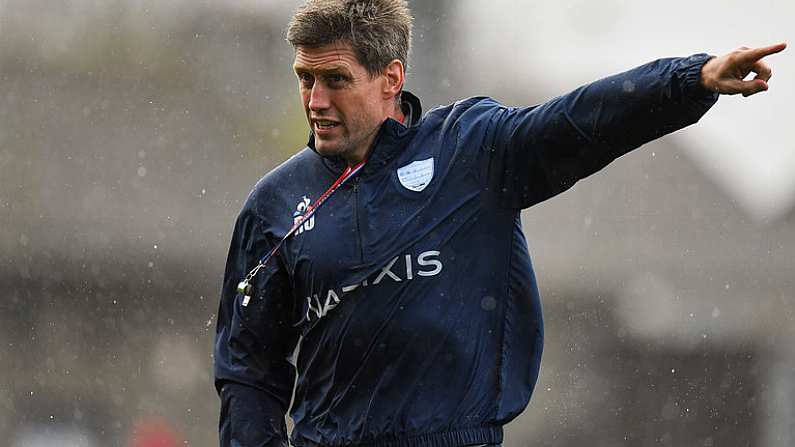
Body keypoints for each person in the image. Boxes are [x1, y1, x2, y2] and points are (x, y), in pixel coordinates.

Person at [213, 1, 786, 446]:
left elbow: (582, 120)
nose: (314, 99)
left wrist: (692, 78)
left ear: (391, 78)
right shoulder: (274, 203)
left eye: (334, 79)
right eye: (304, 79)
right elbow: (246, 367)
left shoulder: (470, 151)